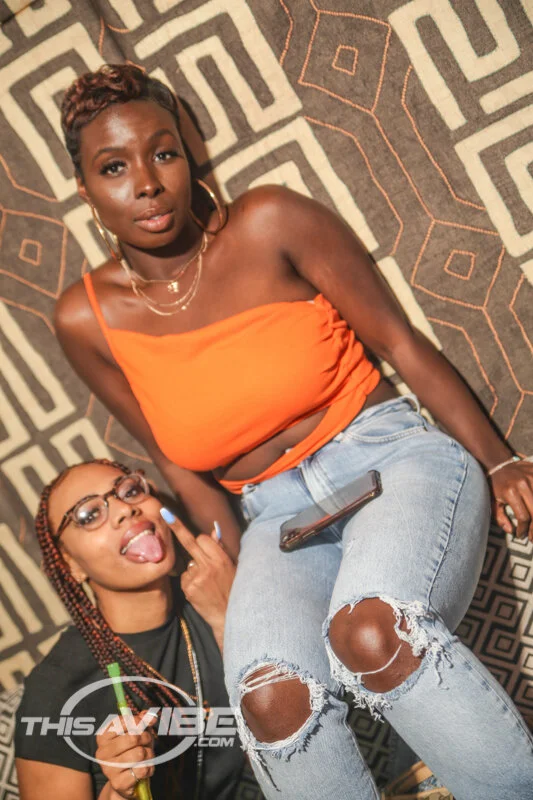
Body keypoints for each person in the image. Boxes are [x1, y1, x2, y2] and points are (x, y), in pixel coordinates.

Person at [53, 64, 533, 799]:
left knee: (373, 633)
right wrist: (237, 578)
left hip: (386, 456)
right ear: (86, 191)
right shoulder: (84, 318)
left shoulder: (270, 220)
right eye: (113, 167)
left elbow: (399, 343)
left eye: (164, 153)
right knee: (269, 701)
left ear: (190, 158)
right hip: (273, 518)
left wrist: (498, 461)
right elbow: (176, 467)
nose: (146, 183)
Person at [15, 459, 244, 800]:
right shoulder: (55, 691)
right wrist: (120, 794)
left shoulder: (215, 595)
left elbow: (291, 728)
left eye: (131, 490)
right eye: (89, 515)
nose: (125, 509)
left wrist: (229, 619)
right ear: (71, 564)